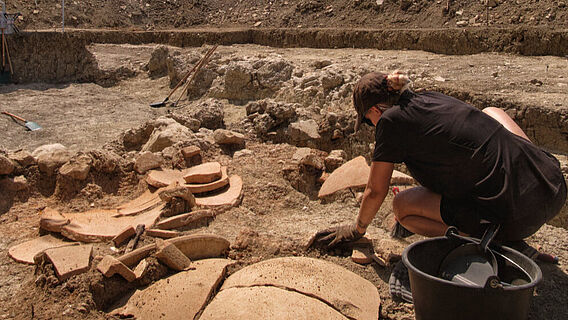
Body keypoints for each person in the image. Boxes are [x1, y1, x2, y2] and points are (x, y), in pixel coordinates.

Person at [312, 71, 567, 257]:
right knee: (492, 112)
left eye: (367, 120)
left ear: (377, 110)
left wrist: (357, 230)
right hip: (551, 185)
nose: (371, 126)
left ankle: (495, 240)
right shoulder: (427, 98)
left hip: (519, 216)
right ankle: (504, 211)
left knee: (402, 208)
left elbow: (376, 190)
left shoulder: (390, 122)